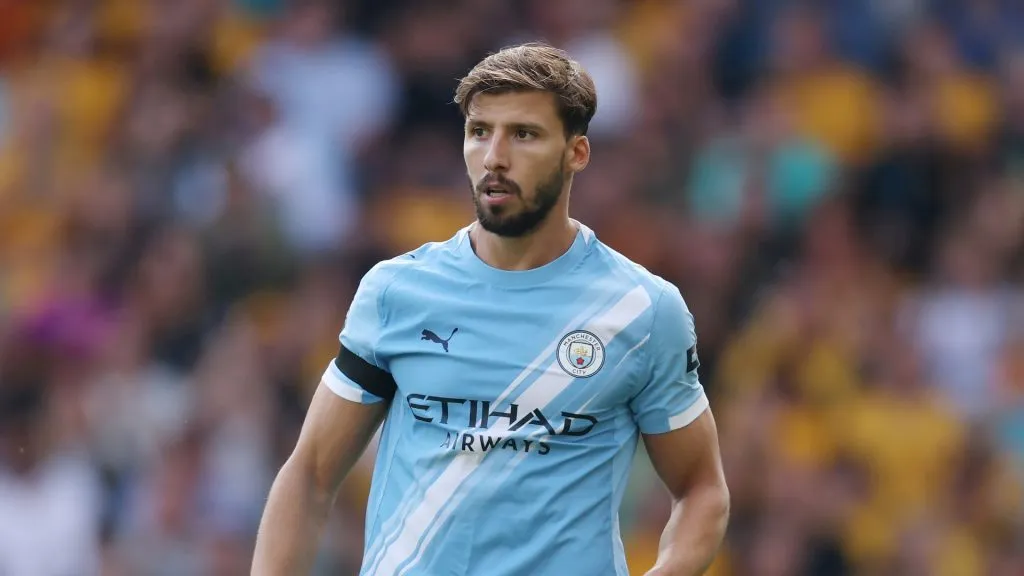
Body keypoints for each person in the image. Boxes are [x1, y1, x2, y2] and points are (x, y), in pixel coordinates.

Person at [252, 43, 730, 576]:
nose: (494, 156)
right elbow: (311, 473)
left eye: (523, 134)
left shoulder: (643, 310)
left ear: (577, 152)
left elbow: (701, 489)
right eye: (480, 131)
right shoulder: (397, 293)